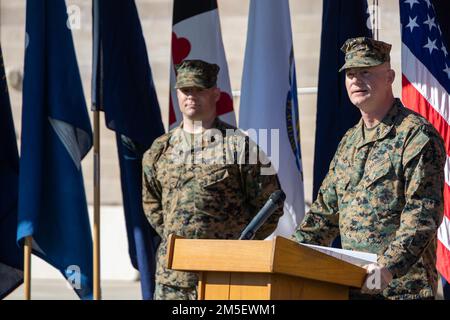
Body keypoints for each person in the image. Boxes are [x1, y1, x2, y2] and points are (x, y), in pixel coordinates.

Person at [292, 37, 446, 300]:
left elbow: (423, 213)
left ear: (389, 76)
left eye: (366, 72)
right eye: (351, 74)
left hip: (402, 290)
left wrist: (388, 267)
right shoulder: (349, 141)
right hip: (352, 287)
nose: (356, 80)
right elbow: (324, 213)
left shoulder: (416, 135)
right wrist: (289, 251)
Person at [142, 59, 284, 300]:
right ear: (177, 93)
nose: (191, 96)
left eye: (199, 90)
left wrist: (238, 247)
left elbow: (270, 205)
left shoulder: (241, 146)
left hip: (225, 274)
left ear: (216, 93)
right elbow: (151, 202)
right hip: (174, 278)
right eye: (186, 90)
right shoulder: (159, 149)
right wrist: (176, 237)